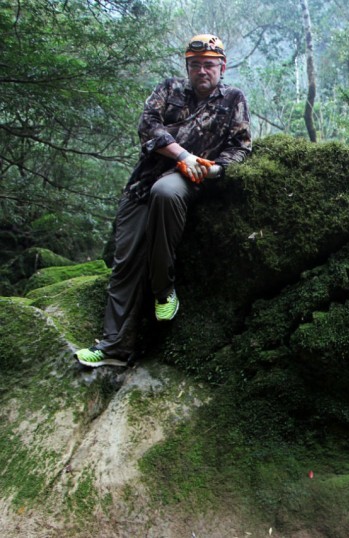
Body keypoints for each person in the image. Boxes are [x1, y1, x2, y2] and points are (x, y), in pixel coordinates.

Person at [75, 34, 252, 368]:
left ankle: (163, 289)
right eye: (196, 65)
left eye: (209, 65)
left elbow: (241, 145)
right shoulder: (169, 90)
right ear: (187, 67)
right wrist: (182, 154)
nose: (203, 71)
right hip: (145, 181)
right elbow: (148, 126)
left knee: (166, 192)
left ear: (222, 67)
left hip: (190, 181)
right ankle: (114, 347)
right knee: (125, 259)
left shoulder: (233, 99)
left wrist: (213, 169)